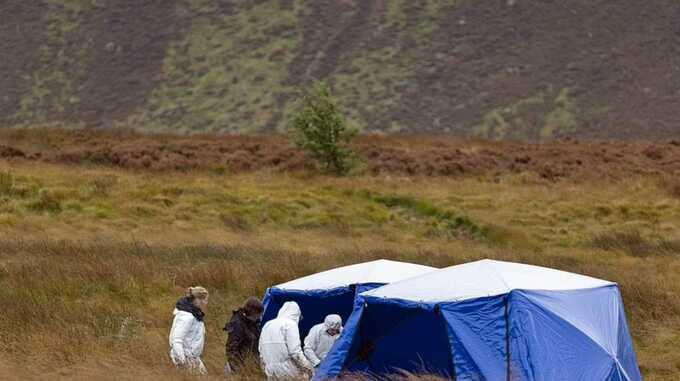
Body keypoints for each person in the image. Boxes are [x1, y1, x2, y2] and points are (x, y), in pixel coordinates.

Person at [259, 301, 314, 380]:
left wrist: (264, 368)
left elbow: (261, 350)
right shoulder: (291, 324)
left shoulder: (267, 325)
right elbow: (295, 352)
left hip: (270, 370)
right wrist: (308, 367)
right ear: (296, 314)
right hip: (287, 369)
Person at [169, 286, 209, 375]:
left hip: (194, 359)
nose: (206, 303)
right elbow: (176, 340)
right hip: (185, 359)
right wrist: (182, 362)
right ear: (198, 300)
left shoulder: (195, 314)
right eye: (206, 300)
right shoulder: (187, 317)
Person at [224, 297, 264, 374]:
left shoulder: (253, 323)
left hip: (250, 365)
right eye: (259, 314)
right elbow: (231, 348)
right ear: (253, 313)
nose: (260, 317)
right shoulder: (237, 324)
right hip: (238, 368)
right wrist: (238, 369)